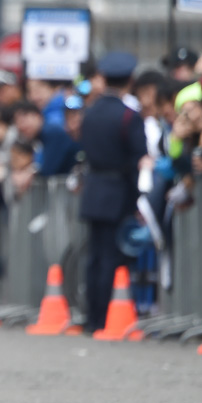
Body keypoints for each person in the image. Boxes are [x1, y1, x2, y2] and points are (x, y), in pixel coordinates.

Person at [79, 51, 146, 335]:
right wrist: (137, 200)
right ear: (130, 80)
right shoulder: (129, 116)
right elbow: (137, 158)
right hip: (118, 190)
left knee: (94, 256)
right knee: (111, 257)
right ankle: (106, 317)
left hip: (93, 188)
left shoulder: (89, 113)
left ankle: (92, 314)